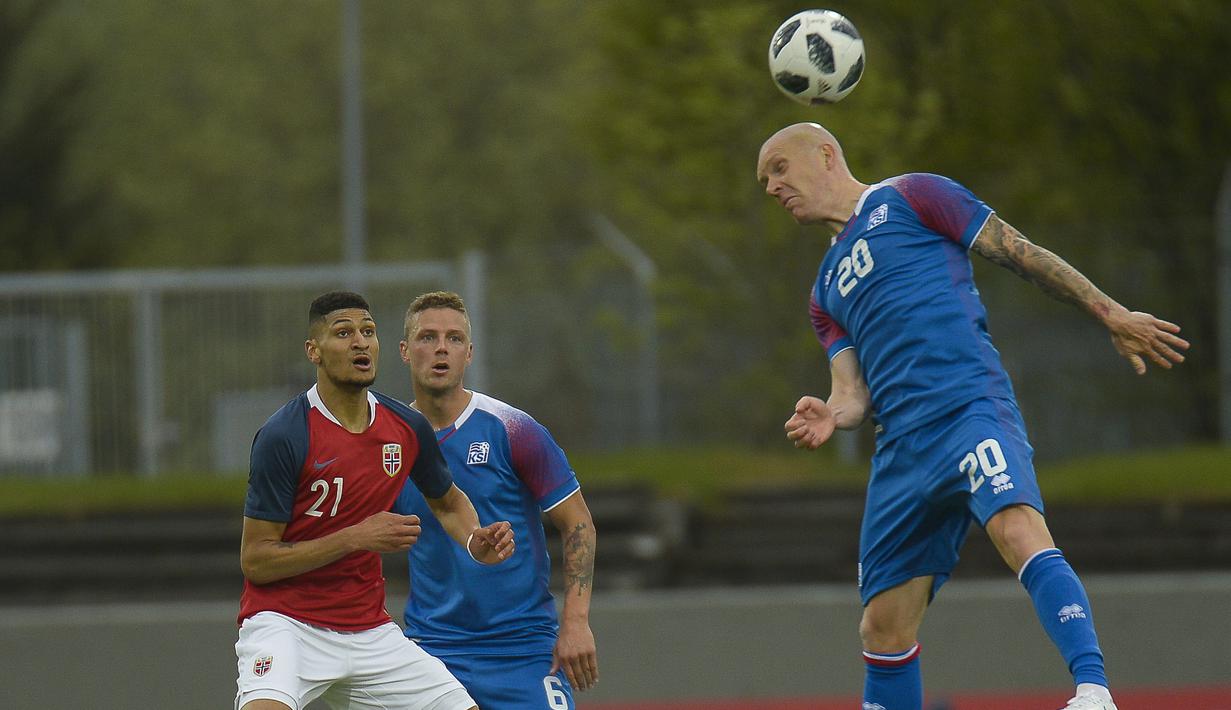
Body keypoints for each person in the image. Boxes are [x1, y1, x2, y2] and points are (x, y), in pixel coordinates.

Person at [756, 123, 1189, 710]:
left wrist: (1110, 312)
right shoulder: (824, 291)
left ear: (827, 155)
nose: (772, 187)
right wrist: (831, 415)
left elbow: (1018, 251)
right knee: (882, 627)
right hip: (901, 450)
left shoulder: (912, 195)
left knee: (1016, 527)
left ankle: (1093, 692)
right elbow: (851, 392)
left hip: (966, 408)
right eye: (765, 179)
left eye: (780, 168)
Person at [235, 290, 516, 710]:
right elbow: (256, 560)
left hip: (369, 631)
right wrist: (355, 537)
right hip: (287, 624)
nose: (360, 343)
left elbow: (447, 502)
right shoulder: (285, 435)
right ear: (314, 351)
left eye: (368, 331)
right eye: (343, 333)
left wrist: (475, 540)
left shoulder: (406, 427)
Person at [395, 290, 599, 709]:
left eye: (454, 339)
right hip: (431, 654)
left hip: (523, 649)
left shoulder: (512, 428)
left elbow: (577, 522)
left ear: (469, 353)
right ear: (404, 350)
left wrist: (576, 623)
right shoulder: (388, 443)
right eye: (427, 337)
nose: (441, 348)